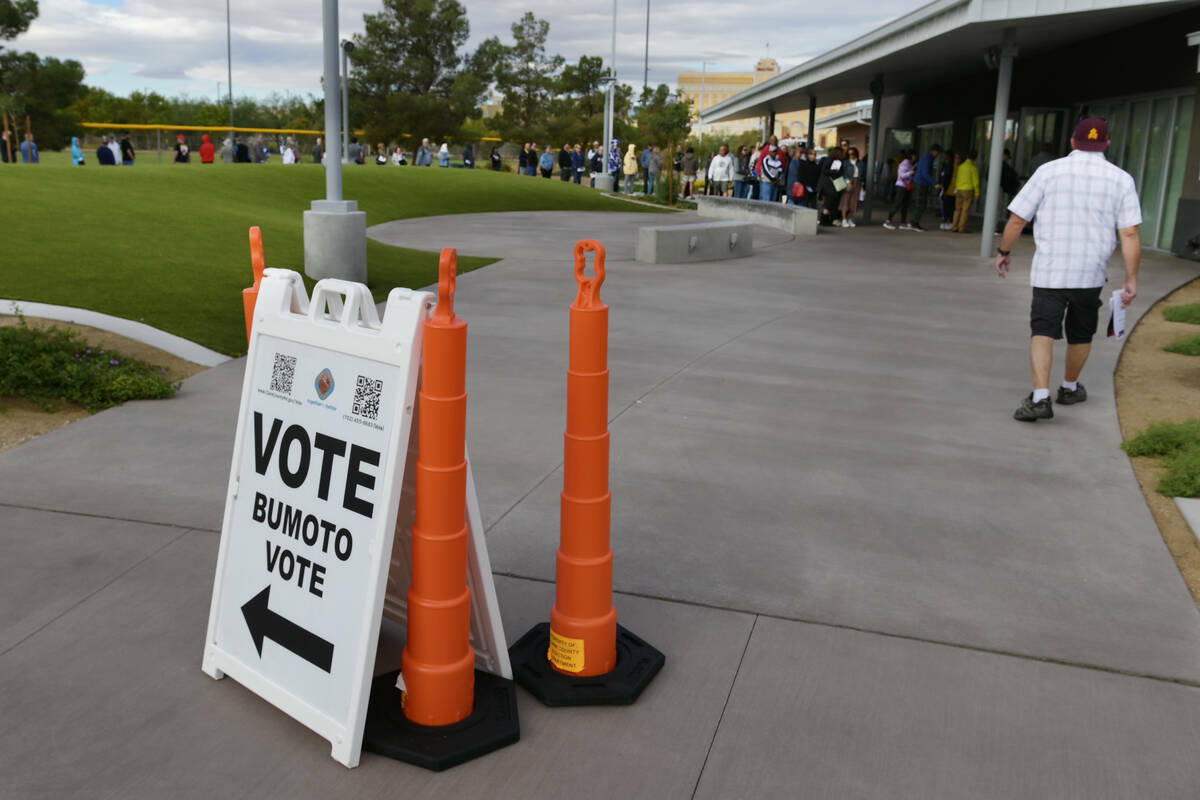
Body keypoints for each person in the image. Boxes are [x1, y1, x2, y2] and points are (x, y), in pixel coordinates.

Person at [996, 117, 1141, 423]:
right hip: (1090, 274)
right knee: (1081, 333)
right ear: (1107, 145)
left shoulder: (1048, 172)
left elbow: (1018, 219)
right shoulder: (1121, 179)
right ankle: (1069, 387)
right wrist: (1131, 278)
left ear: (1073, 142)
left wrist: (1004, 252)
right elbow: (1129, 233)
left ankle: (1039, 398)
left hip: (1050, 271)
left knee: (1043, 331)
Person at [910, 143, 940, 232]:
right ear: (933, 151)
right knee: (921, 205)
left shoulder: (926, 157)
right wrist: (934, 183)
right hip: (921, 184)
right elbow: (925, 173)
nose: (938, 155)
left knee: (920, 204)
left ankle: (913, 221)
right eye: (937, 152)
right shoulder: (928, 159)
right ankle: (914, 223)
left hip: (920, 182)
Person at [882, 151, 916, 230]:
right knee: (897, 203)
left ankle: (902, 223)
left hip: (906, 186)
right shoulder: (905, 163)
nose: (916, 158)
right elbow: (902, 175)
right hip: (901, 186)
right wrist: (911, 172)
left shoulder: (909, 164)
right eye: (914, 156)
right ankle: (888, 221)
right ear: (911, 156)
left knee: (905, 204)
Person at [952, 150, 980, 233]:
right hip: (968, 190)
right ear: (975, 158)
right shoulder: (973, 167)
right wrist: (977, 192)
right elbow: (976, 181)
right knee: (965, 210)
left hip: (959, 189)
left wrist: (956, 188)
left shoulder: (961, 166)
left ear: (967, 156)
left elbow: (957, 178)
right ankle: (961, 228)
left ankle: (954, 226)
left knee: (957, 209)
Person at [817, 146, 845, 226]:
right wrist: (835, 171)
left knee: (829, 204)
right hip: (829, 186)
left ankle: (826, 220)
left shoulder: (833, 160)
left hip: (829, 186)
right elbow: (824, 171)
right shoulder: (830, 160)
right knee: (829, 204)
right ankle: (824, 221)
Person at [839, 147, 862, 226]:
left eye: (852, 154)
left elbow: (862, 175)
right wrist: (848, 181)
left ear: (856, 154)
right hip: (848, 182)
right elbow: (843, 173)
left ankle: (850, 219)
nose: (850, 156)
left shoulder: (860, 163)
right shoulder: (845, 162)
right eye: (849, 154)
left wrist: (862, 186)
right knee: (845, 201)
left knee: (854, 202)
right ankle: (844, 219)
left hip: (857, 182)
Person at [938, 150, 957, 230]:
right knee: (944, 206)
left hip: (949, 189)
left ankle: (949, 221)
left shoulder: (951, 166)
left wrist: (945, 188)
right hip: (943, 188)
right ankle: (944, 221)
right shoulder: (944, 165)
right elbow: (942, 176)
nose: (944, 157)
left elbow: (949, 178)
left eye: (945, 155)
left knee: (950, 206)